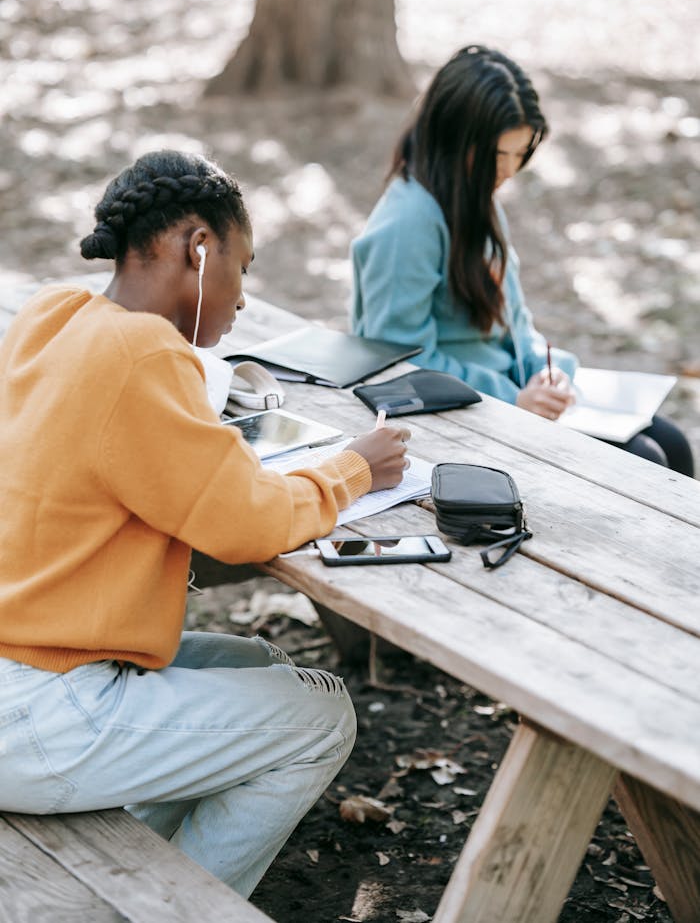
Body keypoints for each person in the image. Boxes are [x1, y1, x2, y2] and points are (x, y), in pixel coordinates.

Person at [0, 149, 412, 897]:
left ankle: (135, 873)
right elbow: (245, 524)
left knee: (257, 666)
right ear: (197, 248)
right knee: (320, 716)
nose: (244, 297)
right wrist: (355, 469)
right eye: (242, 267)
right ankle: (168, 908)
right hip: (37, 709)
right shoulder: (144, 350)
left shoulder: (52, 317)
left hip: (25, 664)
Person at [351, 44, 693, 477]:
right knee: (646, 462)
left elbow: (515, 322)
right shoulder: (408, 223)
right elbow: (399, 361)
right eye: (498, 156)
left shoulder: (475, 199)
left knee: (672, 444)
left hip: (509, 398)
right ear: (454, 138)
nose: (510, 170)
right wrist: (511, 399)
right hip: (456, 415)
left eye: (521, 154)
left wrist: (547, 374)